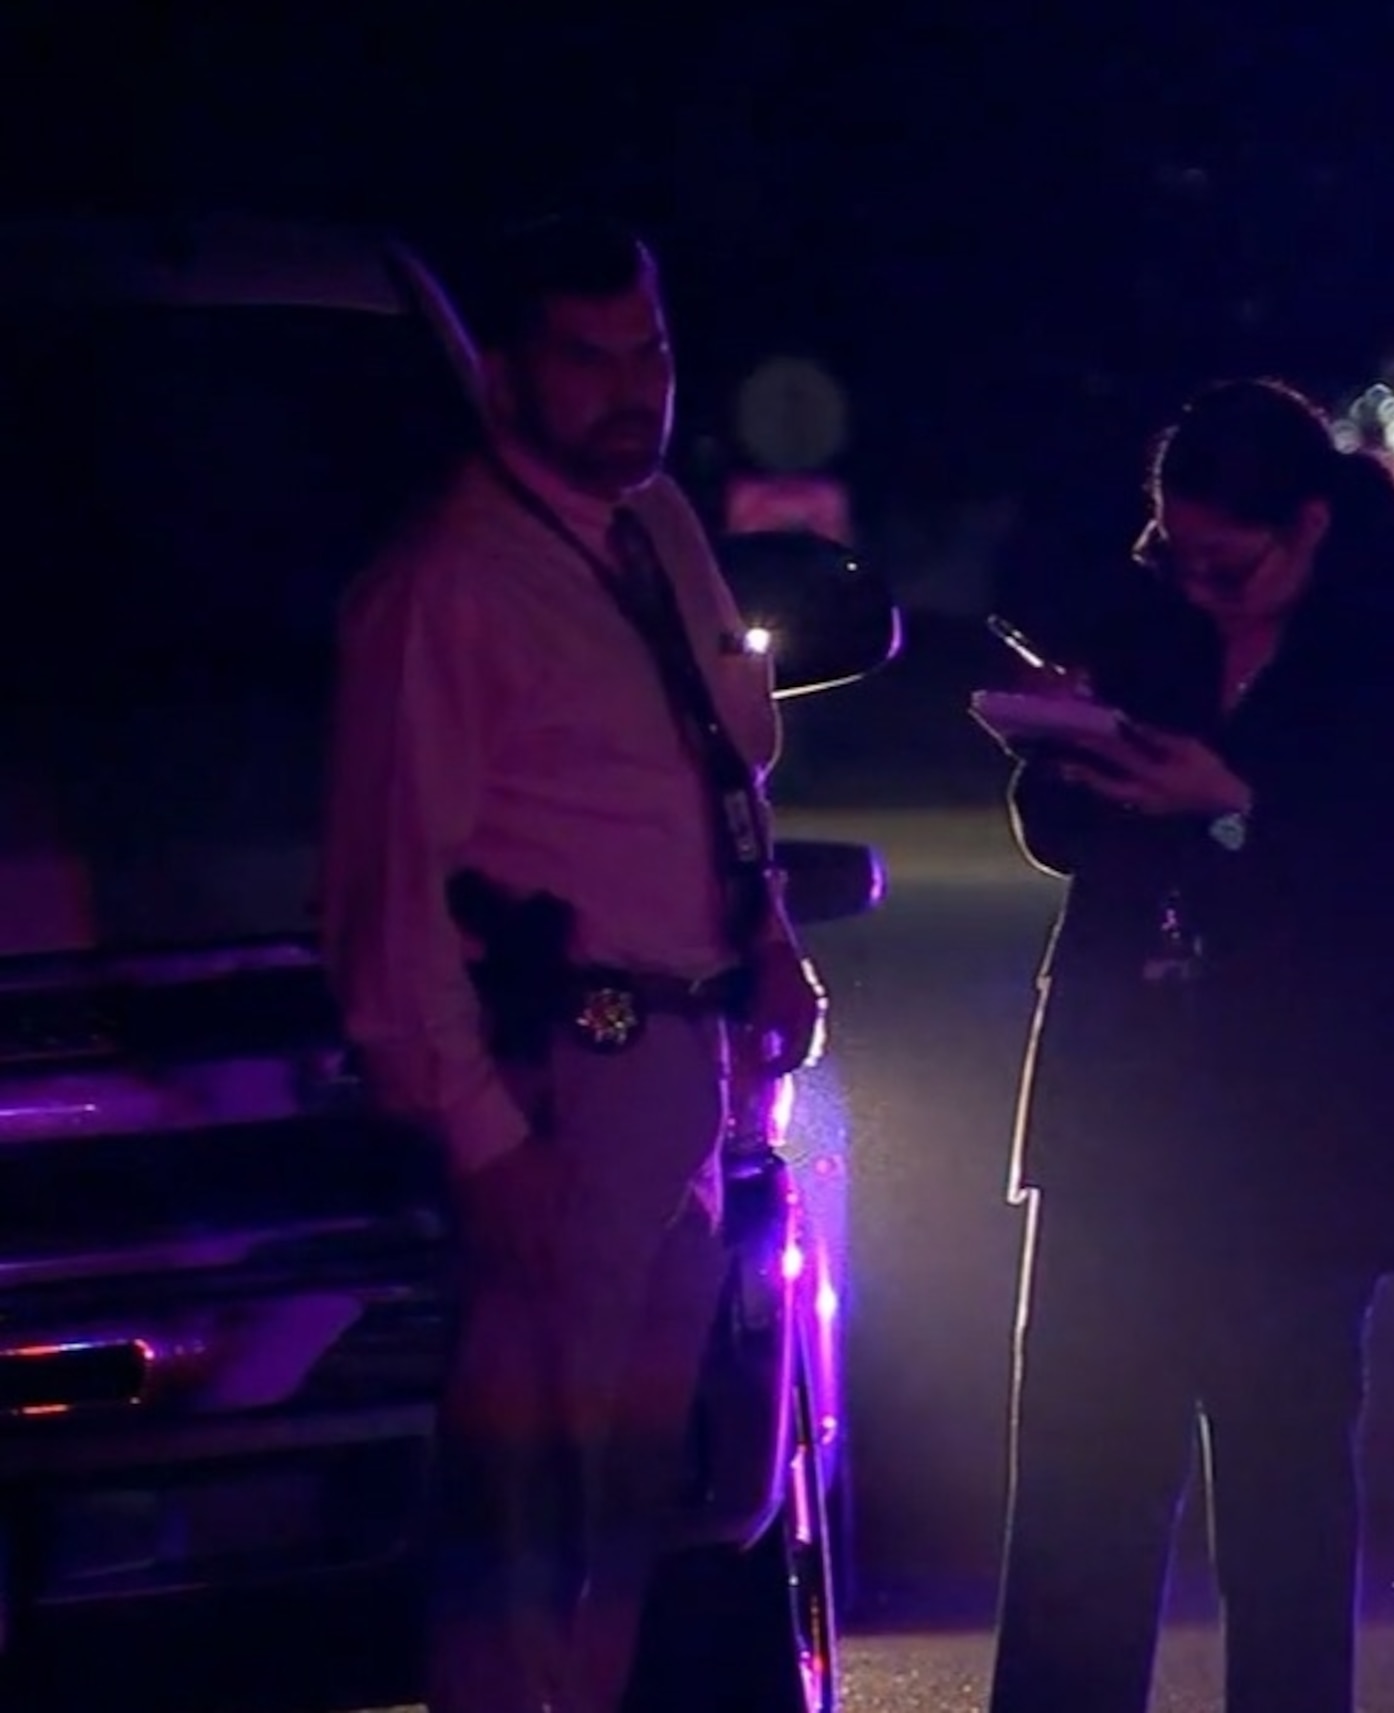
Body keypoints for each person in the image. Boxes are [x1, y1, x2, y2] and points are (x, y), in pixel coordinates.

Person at [321, 214, 825, 1713]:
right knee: (525, 1516)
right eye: (590, 361)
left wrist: (771, 938)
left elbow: (720, 761)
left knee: (620, 1502)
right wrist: (483, 1140)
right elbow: (383, 895)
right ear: (507, 377)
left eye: (650, 354)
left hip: (682, 1069)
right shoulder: (448, 588)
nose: (631, 390)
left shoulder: (653, 527)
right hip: (558, 1077)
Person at [983, 377, 1394, 1713]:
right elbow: (1063, 831)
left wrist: (1233, 811)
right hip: (1123, 1117)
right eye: (1178, 554)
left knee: (1282, 1508)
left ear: (1313, 525)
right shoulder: (1156, 616)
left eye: (1232, 564)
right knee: (1077, 1490)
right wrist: (1066, 741)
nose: (1202, 587)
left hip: (1301, 1143)